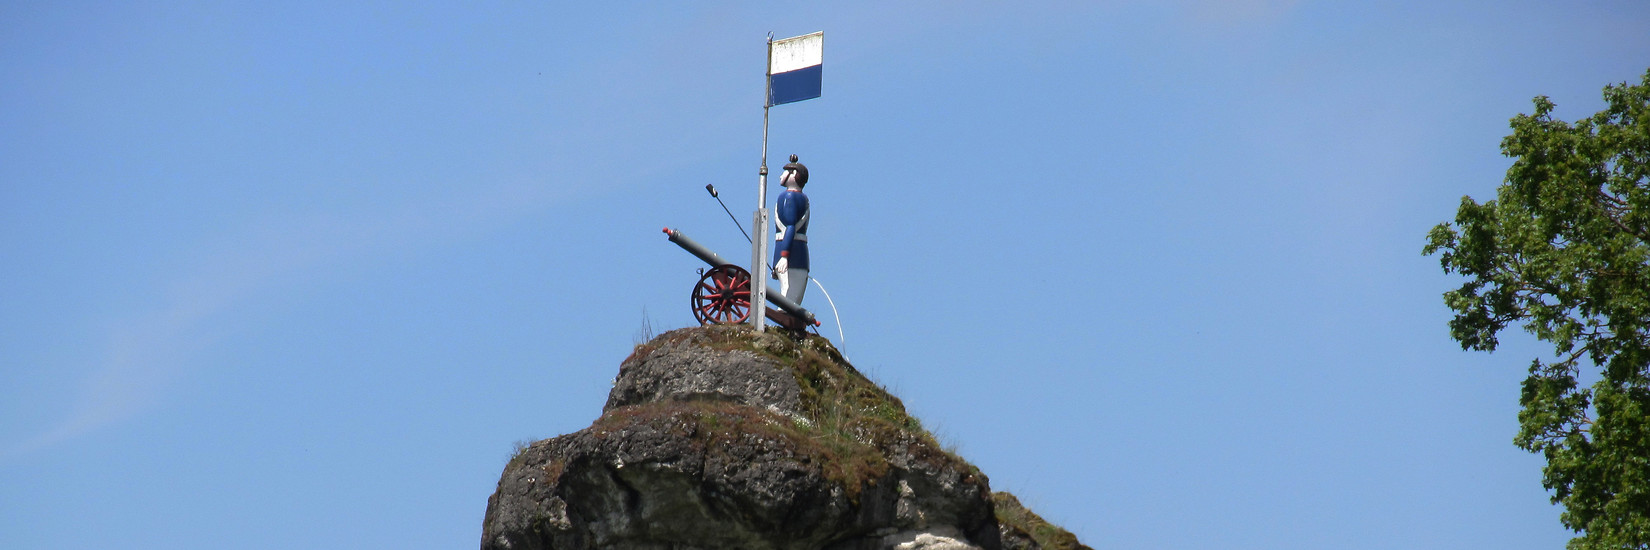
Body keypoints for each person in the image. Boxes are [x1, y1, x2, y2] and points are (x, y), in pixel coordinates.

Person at [772, 155, 810, 303]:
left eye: (785, 172)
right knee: (791, 296)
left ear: (793, 174)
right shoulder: (803, 198)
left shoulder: (789, 197)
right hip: (799, 251)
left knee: (788, 295)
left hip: (790, 251)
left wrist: (784, 256)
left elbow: (790, 226)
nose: (781, 176)